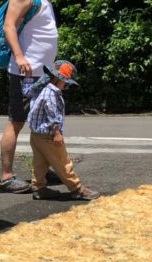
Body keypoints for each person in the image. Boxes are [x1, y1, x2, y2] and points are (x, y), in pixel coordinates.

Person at [0, 0, 62, 194]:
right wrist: (19, 56)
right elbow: (9, 26)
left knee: (43, 123)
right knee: (17, 121)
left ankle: (42, 172)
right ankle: (6, 178)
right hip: (26, 71)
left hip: (43, 73)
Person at [27, 60, 100, 201]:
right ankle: (77, 189)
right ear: (58, 79)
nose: (66, 86)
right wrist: (57, 133)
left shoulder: (42, 88)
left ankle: (39, 188)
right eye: (66, 82)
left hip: (36, 135)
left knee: (39, 163)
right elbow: (52, 114)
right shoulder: (52, 93)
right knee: (63, 162)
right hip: (49, 135)